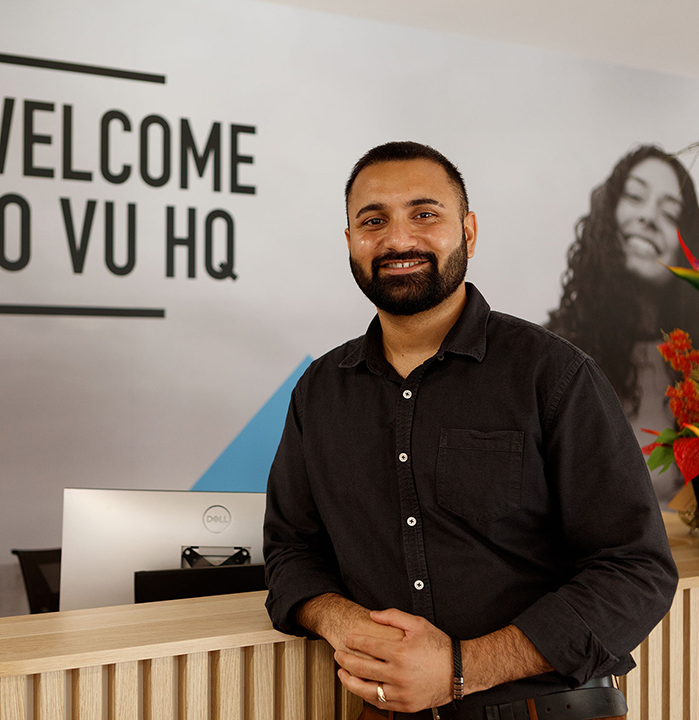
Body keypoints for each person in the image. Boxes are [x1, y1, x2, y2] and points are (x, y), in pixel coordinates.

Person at [263, 141, 677, 719]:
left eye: (425, 214)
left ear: (469, 232)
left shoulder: (553, 375)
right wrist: (341, 619)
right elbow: (291, 551)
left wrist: (461, 669)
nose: (399, 240)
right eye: (373, 220)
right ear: (352, 240)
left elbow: (637, 570)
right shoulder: (320, 392)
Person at [546, 146, 699, 505]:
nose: (648, 217)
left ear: (686, 249)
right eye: (634, 196)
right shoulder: (553, 355)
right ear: (609, 214)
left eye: (670, 214)